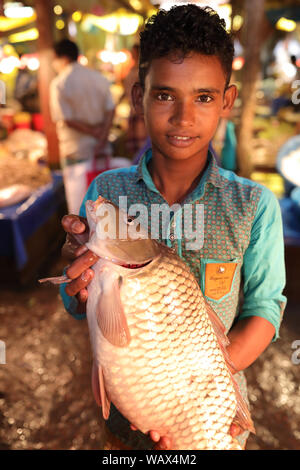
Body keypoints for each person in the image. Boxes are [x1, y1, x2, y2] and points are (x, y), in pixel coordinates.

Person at [59, 5, 286, 450]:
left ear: (227, 100)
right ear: (137, 96)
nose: (184, 117)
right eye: (165, 95)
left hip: (209, 410)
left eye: (203, 97)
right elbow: (79, 305)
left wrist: (197, 386)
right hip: (128, 407)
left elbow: (265, 307)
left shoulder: (254, 206)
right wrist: (79, 283)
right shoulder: (107, 192)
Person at [50, 39, 115, 215]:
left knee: (79, 210)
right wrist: (101, 136)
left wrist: (93, 132)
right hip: (101, 150)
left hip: (75, 152)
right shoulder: (98, 78)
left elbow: (66, 119)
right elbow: (111, 109)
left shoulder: (59, 83)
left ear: (62, 58)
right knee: (105, 207)